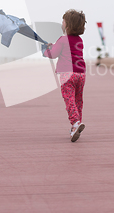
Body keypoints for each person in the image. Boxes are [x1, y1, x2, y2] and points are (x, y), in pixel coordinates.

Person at [44, 9, 86, 142]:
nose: (61, 23)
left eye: (63, 21)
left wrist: (45, 51)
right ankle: (76, 124)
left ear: (67, 26)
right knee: (78, 99)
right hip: (80, 74)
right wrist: (54, 46)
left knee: (69, 100)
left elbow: (53, 54)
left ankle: (75, 123)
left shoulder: (62, 39)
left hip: (67, 75)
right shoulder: (79, 40)